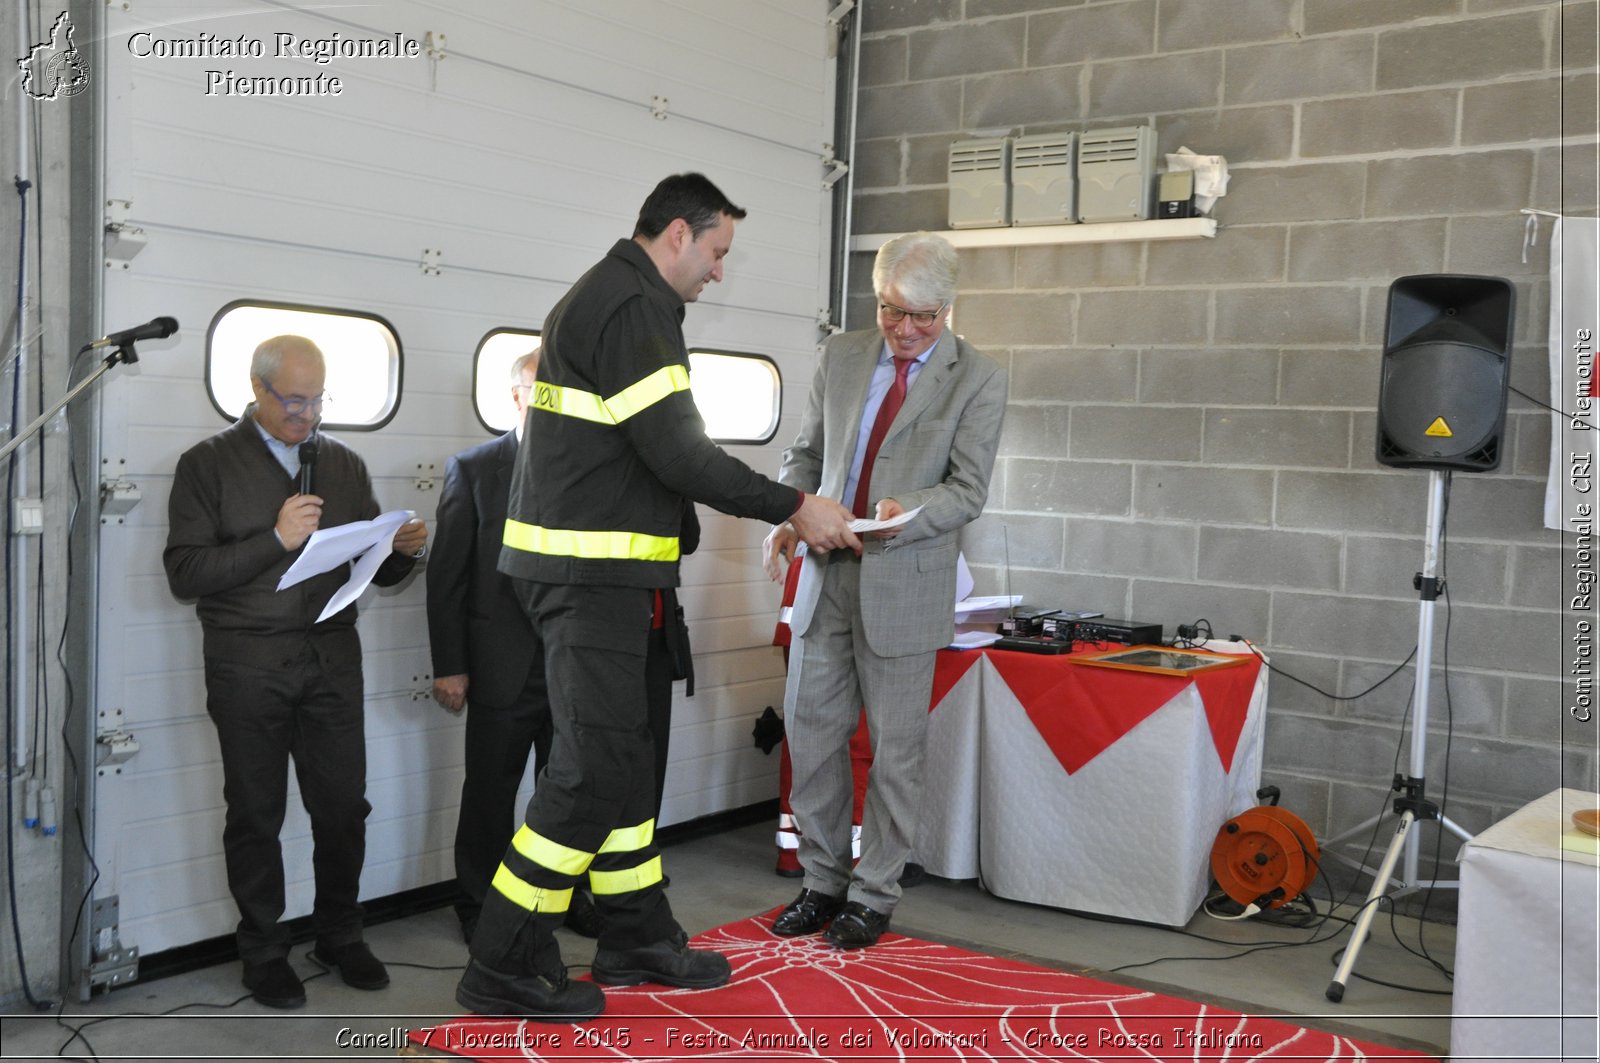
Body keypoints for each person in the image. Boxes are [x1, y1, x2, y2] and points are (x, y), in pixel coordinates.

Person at [454, 172, 858, 1022]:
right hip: (587, 579)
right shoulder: (631, 307)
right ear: (678, 233)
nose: (718, 271)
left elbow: (643, 455)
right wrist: (798, 505)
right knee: (592, 768)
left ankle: (634, 932)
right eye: (717, 252)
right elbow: (681, 454)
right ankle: (503, 955)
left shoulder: (625, 300)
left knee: (627, 761)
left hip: (614, 578)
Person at [164, 335, 428, 1009]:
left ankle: (340, 932)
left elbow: (367, 564)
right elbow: (185, 573)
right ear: (256, 389)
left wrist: (398, 551)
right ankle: (263, 948)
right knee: (256, 813)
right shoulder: (206, 464)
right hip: (247, 665)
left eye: (316, 400)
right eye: (293, 401)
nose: (306, 415)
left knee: (343, 808)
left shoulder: (341, 462)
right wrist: (274, 540)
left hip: (331, 662)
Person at [762, 231, 1007, 949]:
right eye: (891, 310)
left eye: (922, 316)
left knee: (896, 753)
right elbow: (805, 451)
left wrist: (909, 511)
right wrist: (788, 507)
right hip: (825, 572)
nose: (903, 329)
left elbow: (969, 488)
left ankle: (874, 894)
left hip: (905, 579)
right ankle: (821, 880)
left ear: (949, 309)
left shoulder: (979, 378)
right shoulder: (839, 355)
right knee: (811, 737)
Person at [427, 352, 694, 944]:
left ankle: (565, 899)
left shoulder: (593, 467)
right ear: (518, 397)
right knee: (490, 794)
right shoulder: (474, 470)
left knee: (569, 794)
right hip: (502, 666)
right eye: (547, 390)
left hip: (575, 665)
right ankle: (478, 905)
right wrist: (451, 666)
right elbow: (446, 578)